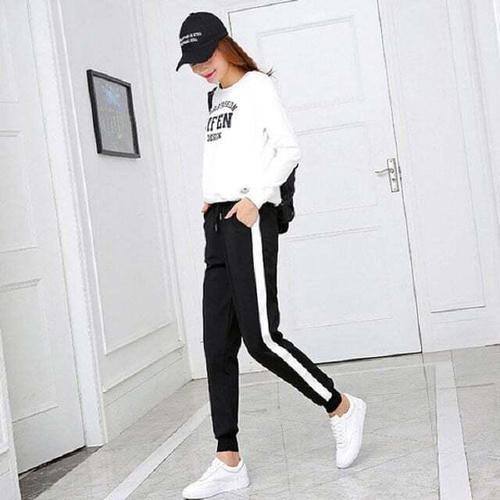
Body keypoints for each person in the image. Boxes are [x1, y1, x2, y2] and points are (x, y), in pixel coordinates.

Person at [175, 11, 367, 499]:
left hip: (248, 220)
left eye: (204, 56)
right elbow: (229, 153)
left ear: (225, 45)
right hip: (218, 223)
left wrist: (253, 199)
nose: (200, 68)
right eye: (191, 62)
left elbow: (288, 150)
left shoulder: (258, 87)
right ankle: (228, 459)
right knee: (217, 345)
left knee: (261, 339)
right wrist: (211, 195)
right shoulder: (216, 97)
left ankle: (341, 406)